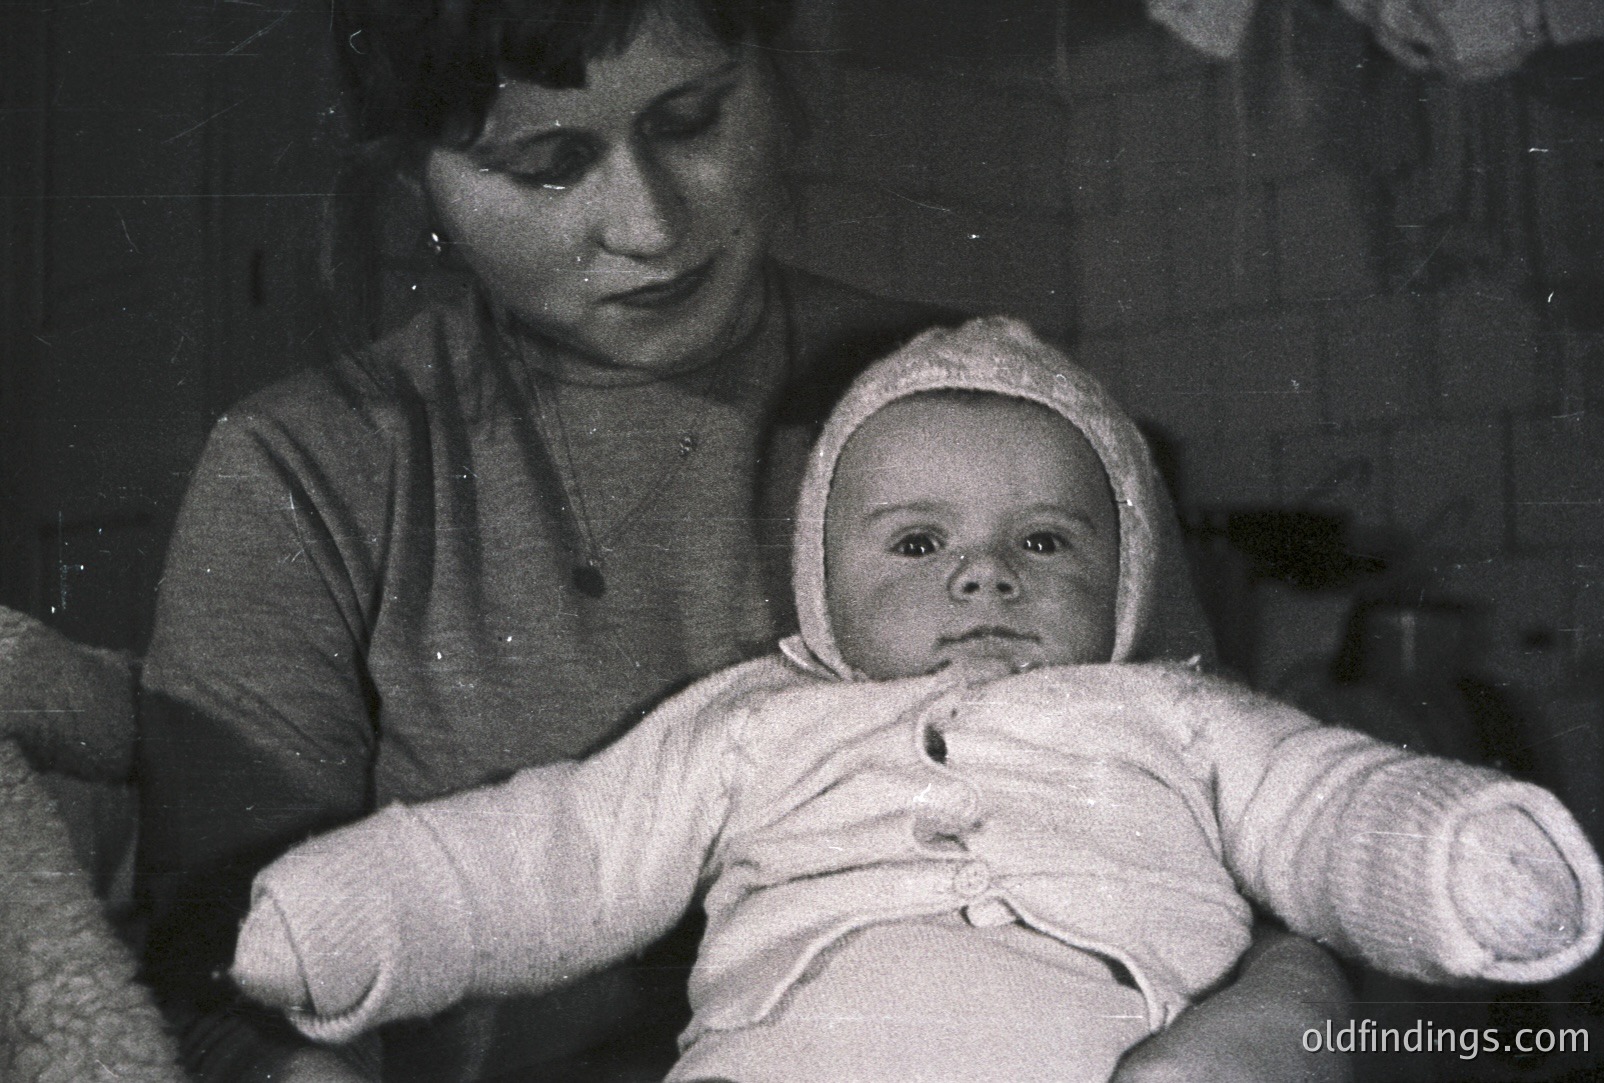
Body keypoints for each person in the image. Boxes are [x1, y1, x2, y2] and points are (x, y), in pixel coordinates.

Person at [134, 3, 1353, 1081]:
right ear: (418, 186)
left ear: (780, 74)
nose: (649, 223)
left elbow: (1247, 818)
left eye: (691, 120)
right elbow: (221, 982)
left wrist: (1296, 1014)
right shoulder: (310, 472)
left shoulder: (987, 414)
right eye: (549, 165)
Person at [229, 318, 1604, 1083]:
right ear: (819, 584)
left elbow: (1328, 803)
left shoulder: (1175, 718)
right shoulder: (753, 721)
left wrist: (1453, 857)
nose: (984, 574)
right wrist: (350, 915)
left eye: (1046, 540)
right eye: (915, 541)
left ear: (1127, 579)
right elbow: (560, 850)